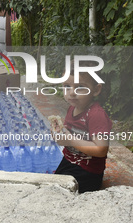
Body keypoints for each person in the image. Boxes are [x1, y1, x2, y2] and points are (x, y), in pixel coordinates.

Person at [52, 61, 112, 193]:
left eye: (80, 87)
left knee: (62, 194)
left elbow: (101, 150)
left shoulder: (96, 115)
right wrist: (60, 133)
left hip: (88, 171)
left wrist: (70, 140)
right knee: (52, 186)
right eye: (67, 86)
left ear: (96, 90)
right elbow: (70, 133)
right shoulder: (72, 108)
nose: (72, 93)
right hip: (69, 161)